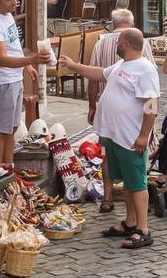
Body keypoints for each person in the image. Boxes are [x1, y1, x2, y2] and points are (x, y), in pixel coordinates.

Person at [59, 28, 159, 249]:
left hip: (131, 137)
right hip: (115, 136)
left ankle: (143, 229)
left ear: (127, 44)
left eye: (119, 41)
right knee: (127, 182)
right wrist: (74, 66)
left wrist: (144, 135)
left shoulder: (145, 69)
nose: (115, 44)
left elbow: (152, 104)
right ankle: (130, 222)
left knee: (137, 182)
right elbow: (100, 73)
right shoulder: (122, 65)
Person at [0, 0, 52, 167]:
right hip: (2, 82)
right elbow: (1, 58)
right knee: (0, 130)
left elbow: (14, 45)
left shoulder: (7, 15)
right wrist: (31, 59)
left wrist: (26, 66)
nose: (15, 2)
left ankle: (8, 167)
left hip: (14, 79)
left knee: (12, 128)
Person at [88, 7, 144, 214]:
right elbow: (99, 74)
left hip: (117, 119)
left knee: (108, 157)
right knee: (122, 158)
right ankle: (132, 206)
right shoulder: (137, 45)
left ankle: (108, 197)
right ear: (130, 22)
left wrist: (92, 105)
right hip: (124, 119)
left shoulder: (101, 43)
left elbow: (94, 79)